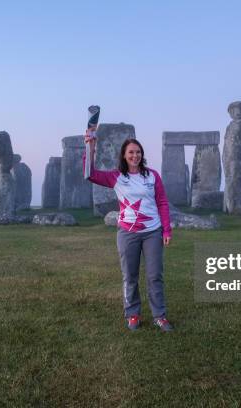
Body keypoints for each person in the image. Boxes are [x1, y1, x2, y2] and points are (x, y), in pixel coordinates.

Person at [84, 132, 174, 332]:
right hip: (127, 233)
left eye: (138, 152)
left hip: (153, 232)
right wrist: (91, 146)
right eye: (131, 152)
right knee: (130, 276)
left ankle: (159, 316)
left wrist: (166, 230)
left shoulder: (152, 176)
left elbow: (162, 202)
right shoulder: (116, 177)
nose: (135, 155)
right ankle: (133, 314)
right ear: (124, 155)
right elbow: (90, 174)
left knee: (154, 276)